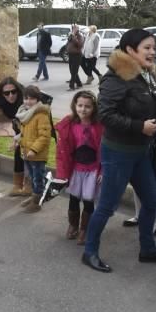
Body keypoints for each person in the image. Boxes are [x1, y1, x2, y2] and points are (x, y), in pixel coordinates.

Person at [81, 28, 156, 273]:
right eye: (147, 48)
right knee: (107, 206)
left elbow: (146, 106)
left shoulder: (145, 75)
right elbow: (105, 115)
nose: (152, 52)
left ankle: (147, 249)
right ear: (129, 50)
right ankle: (89, 251)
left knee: (153, 199)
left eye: (154, 48)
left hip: (141, 150)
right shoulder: (115, 78)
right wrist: (139, 126)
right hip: (118, 152)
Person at [55, 90, 104, 244]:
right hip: (75, 168)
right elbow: (62, 151)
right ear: (75, 105)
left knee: (89, 200)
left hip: (93, 169)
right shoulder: (69, 124)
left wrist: (103, 170)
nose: (83, 109)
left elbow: (105, 151)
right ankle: (73, 225)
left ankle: (85, 228)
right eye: (80, 105)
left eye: (87, 106)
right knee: (74, 198)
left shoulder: (100, 126)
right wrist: (62, 173)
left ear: (94, 108)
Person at [14, 85, 52, 213]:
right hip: (27, 153)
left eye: (31, 99)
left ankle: (37, 202)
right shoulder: (26, 113)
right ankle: (34, 197)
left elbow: (44, 136)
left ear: (37, 99)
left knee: (38, 178)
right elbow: (25, 133)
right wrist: (17, 141)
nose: (27, 101)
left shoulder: (41, 115)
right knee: (32, 177)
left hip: (37, 154)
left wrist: (34, 150)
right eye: (25, 98)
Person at [0, 77, 30, 196]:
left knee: (30, 154)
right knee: (18, 153)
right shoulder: (4, 104)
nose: (10, 95)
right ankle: (17, 185)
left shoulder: (25, 103)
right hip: (19, 128)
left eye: (13, 92)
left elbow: (29, 127)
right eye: (6, 93)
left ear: (18, 91)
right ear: (2, 94)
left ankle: (30, 185)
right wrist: (17, 138)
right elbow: (16, 122)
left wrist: (17, 139)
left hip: (32, 129)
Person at [66, 24, 85, 90]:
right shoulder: (71, 35)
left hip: (77, 55)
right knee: (72, 71)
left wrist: (74, 36)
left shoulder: (80, 35)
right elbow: (69, 41)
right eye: (72, 28)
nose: (73, 29)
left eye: (74, 28)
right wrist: (71, 35)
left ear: (77, 29)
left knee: (74, 71)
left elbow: (79, 45)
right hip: (71, 55)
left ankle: (72, 86)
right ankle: (79, 83)